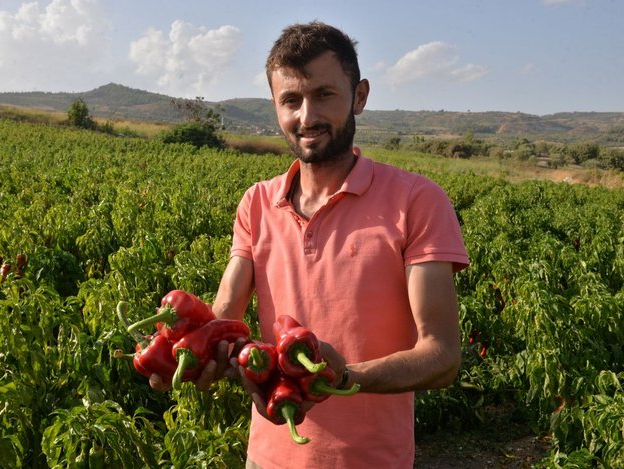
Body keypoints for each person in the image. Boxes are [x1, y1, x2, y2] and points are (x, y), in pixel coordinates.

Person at [153, 21, 469, 468]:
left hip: (372, 460)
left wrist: (345, 378)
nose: (307, 117)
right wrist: (186, 351)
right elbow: (225, 317)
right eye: (291, 100)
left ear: (359, 96)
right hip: (267, 458)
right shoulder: (257, 202)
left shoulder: (417, 201)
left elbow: (441, 356)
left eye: (324, 95)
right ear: (275, 107)